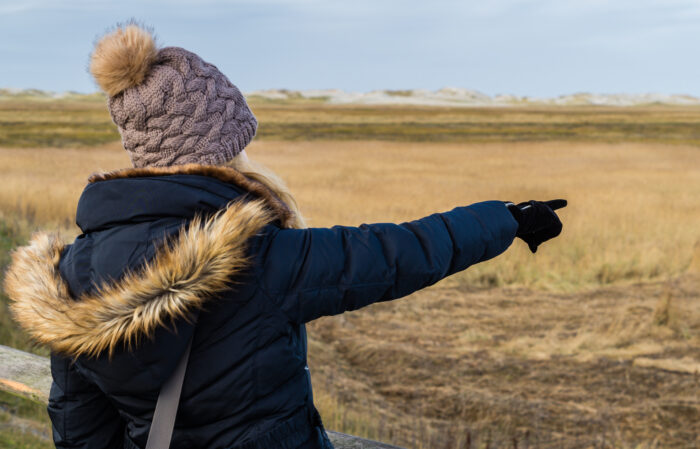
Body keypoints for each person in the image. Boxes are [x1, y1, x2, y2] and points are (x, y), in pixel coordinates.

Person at [3, 23, 566, 449]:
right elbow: (397, 253)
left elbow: (78, 422)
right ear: (220, 149)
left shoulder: (71, 273)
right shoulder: (259, 257)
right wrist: (507, 219)